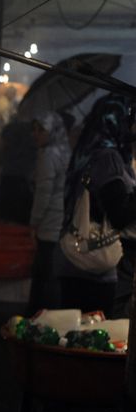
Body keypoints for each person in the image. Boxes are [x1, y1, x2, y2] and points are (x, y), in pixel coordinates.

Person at [57, 93, 136, 317]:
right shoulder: (108, 157)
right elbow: (119, 213)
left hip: (81, 264)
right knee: (90, 333)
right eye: (129, 118)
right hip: (92, 267)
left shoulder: (95, 151)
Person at [27, 112, 71, 313]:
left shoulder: (48, 155)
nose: (35, 134)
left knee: (43, 274)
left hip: (49, 222)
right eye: (34, 129)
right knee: (52, 273)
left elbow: (43, 193)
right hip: (62, 220)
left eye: (41, 130)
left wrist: (34, 222)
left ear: (52, 131)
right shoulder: (66, 151)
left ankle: (37, 317)